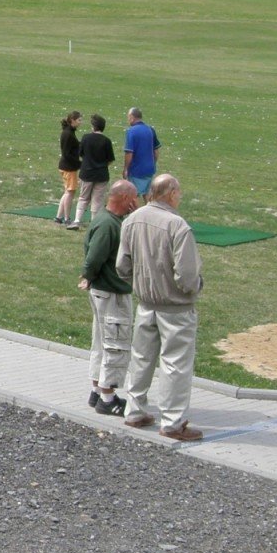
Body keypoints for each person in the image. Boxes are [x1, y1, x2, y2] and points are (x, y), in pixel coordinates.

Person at [115, 173, 203, 441]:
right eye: (179, 192)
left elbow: (122, 266)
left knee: (141, 358)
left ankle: (135, 410)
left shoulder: (133, 219)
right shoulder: (177, 226)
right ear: (172, 193)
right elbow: (187, 275)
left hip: (146, 304)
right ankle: (173, 422)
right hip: (174, 308)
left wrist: (141, 282)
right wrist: (195, 286)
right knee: (175, 364)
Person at [78, 180, 138, 416]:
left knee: (101, 342)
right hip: (111, 293)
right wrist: (87, 275)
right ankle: (107, 397)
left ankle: (96, 390)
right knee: (115, 344)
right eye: (133, 198)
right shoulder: (108, 226)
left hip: (103, 291)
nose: (136, 202)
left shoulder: (109, 221)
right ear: (124, 198)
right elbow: (94, 258)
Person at [73, 113, 115, 229]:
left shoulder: (86, 138)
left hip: (87, 173)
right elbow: (110, 159)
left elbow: (81, 154)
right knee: (97, 199)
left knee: (83, 197)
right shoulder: (106, 141)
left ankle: (77, 220)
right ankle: (94, 223)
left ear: (93, 127)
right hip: (101, 174)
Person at [123, 107, 161, 198]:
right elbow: (156, 151)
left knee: (133, 195)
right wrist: (153, 164)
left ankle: (135, 212)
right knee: (147, 194)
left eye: (128, 117)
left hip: (136, 170)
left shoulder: (131, 131)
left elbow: (129, 153)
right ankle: (150, 211)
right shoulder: (150, 130)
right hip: (149, 169)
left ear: (132, 117)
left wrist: (126, 169)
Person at [56, 110, 83, 226]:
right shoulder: (68, 134)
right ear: (72, 120)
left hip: (67, 166)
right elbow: (67, 154)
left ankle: (58, 217)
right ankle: (67, 218)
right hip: (68, 167)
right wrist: (79, 164)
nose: (80, 122)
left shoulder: (69, 132)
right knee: (70, 192)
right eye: (79, 120)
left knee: (67, 191)